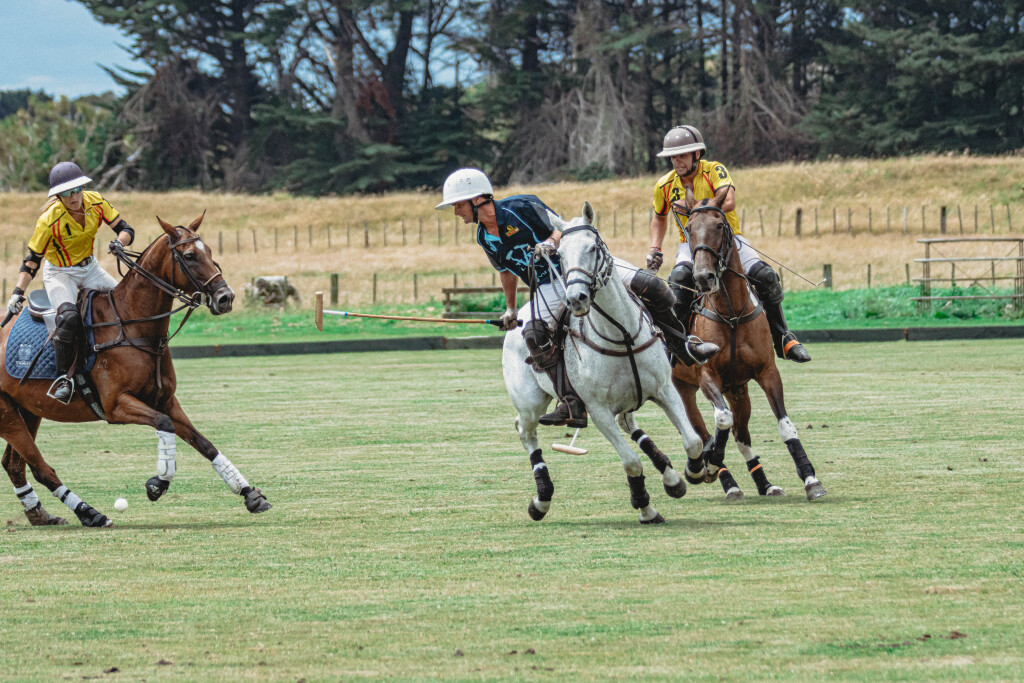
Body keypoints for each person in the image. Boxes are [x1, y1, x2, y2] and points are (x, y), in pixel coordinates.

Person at [436, 168, 717, 429]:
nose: (456, 212)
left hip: (580, 265)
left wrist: (550, 242)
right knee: (534, 334)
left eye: (458, 205)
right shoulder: (484, 236)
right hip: (548, 285)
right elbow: (506, 271)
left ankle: (682, 346)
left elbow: (562, 228)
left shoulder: (521, 207)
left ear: (476, 199)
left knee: (652, 286)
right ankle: (571, 401)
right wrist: (510, 309)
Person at [646, 125, 811, 363]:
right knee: (679, 281)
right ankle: (677, 347)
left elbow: (729, 201)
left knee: (765, 276)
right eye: (673, 157)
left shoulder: (715, 170)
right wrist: (655, 249)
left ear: (697, 154)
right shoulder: (664, 185)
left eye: (682, 155)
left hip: (727, 238)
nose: (677, 161)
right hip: (691, 244)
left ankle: (784, 338)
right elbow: (659, 218)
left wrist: (695, 209)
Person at [6, 161, 136, 403]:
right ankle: (64, 379)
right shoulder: (49, 220)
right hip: (59, 273)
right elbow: (32, 261)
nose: (74, 196)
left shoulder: (96, 201)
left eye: (77, 189)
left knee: (125, 305)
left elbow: (125, 229)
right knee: (68, 317)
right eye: (66, 192)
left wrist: (119, 242)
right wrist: (17, 292)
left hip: (90, 269)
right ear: (58, 195)